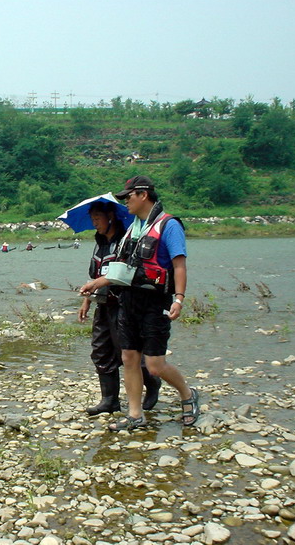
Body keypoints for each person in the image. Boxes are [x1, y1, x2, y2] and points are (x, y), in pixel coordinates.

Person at [81, 176, 199, 430]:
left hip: (155, 301)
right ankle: (135, 414)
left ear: (143, 195)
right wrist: (95, 285)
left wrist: (179, 298)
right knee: (129, 358)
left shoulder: (169, 225)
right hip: (128, 300)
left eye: (129, 197)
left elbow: (179, 265)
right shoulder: (132, 230)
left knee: (155, 365)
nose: (126, 203)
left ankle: (188, 395)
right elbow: (121, 270)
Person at [78, 201, 161, 416]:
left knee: (129, 352)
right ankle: (110, 400)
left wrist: (97, 284)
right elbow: (95, 275)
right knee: (101, 351)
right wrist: (87, 300)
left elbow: (126, 272)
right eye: (92, 218)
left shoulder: (126, 241)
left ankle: (152, 385)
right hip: (103, 305)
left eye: (97, 217)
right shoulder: (99, 243)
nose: (94, 222)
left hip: (124, 305)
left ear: (110, 217)